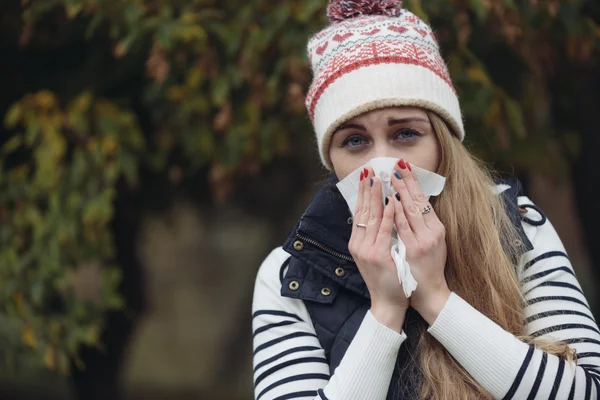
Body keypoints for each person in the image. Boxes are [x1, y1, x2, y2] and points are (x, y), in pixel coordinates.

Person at [251, 0, 600, 399]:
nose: (382, 162)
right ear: (331, 158)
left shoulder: (515, 222)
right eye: (355, 141)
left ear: (442, 141)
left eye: (405, 134)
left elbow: (585, 391)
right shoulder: (289, 272)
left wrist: (435, 298)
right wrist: (385, 310)